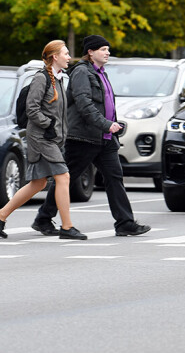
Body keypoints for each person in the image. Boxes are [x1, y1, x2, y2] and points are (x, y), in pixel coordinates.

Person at [31, 35, 151, 237]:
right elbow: (84, 104)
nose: (107, 53)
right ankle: (43, 219)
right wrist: (106, 124)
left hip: (104, 138)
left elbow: (105, 104)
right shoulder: (81, 73)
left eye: (108, 49)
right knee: (66, 179)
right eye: (103, 49)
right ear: (91, 52)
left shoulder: (102, 73)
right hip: (83, 138)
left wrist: (113, 124)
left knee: (115, 178)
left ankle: (125, 223)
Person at [0, 41, 87, 240]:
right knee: (63, 177)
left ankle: (1, 215)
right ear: (55, 57)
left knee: (38, 183)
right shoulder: (42, 79)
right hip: (41, 137)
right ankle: (67, 227)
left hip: (52, 138)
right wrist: (48, 124)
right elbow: (32, 108)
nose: (68, 57)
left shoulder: (59, 79)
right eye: (65, 53)